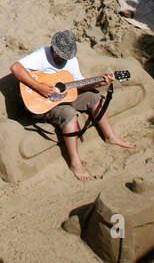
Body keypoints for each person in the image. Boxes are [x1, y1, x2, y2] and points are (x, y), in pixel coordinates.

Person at [10, 30, 134, 181]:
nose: (62, 58)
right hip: (42, 103)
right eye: (59, 54)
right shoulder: (42, 55)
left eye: (65, 56)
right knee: (69, 114)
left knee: (95, 97)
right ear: (53, 48)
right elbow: (15, 68)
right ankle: (75, 163)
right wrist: (38, 87)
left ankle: (111, 136)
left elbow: (79, 85)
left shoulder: (71, 60)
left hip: (65, 96)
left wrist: (98, 82)